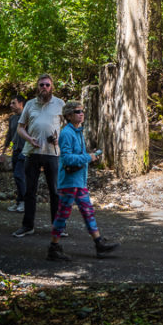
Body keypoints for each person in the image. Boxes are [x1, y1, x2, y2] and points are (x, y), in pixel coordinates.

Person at [47, 100, 119, 261]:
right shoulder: (67, 133)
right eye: (78, 111)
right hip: (69, 182)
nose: (81, 113)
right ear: (69, 115)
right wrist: (88, 157)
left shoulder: (78, 131)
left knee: (88, 212)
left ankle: (99, 243)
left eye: (82, 111)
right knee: (62, 215)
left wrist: (88, 156)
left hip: (78, 182)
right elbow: (66, 159)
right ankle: (54, 248)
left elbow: (77, 155)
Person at [12, 73, 64, 238]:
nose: (44, 88)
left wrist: (58, 138)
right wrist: (29, 138)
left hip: (52, 153)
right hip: (32, 152)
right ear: (37, 86)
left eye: (47, 85)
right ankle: (28, 226)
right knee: (29, 191)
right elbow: (20, 128)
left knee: (55, 191)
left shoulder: (60, 104)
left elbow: (67, 128)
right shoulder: (29, 104)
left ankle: (58, 227)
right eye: (41, 85)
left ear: (52, 87)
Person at [2, 94, 26, 212]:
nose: (11, 105)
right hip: (15, 150)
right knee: (17, 178)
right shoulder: (12, 118)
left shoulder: (27, 117)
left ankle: (24, 202)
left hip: (25, 151)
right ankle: (19, 201)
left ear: (21, 104)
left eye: (13, 103)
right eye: (11, 103)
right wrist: (4, 151)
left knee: (19, 175)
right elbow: (9, 135)